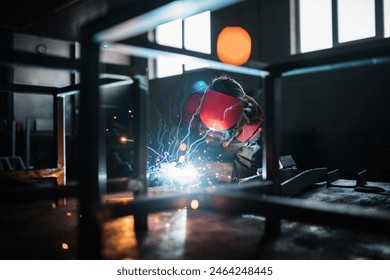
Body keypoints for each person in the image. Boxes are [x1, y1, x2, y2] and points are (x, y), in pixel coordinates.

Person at [180, 75, 264, 182]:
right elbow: (181, 138)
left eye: (218, 134)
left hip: (231, 152)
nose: (210, 137)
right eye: (205, 130)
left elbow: (245, 170)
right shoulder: (194, 107)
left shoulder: (251, 126)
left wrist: (210, 169)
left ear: (235, 129)